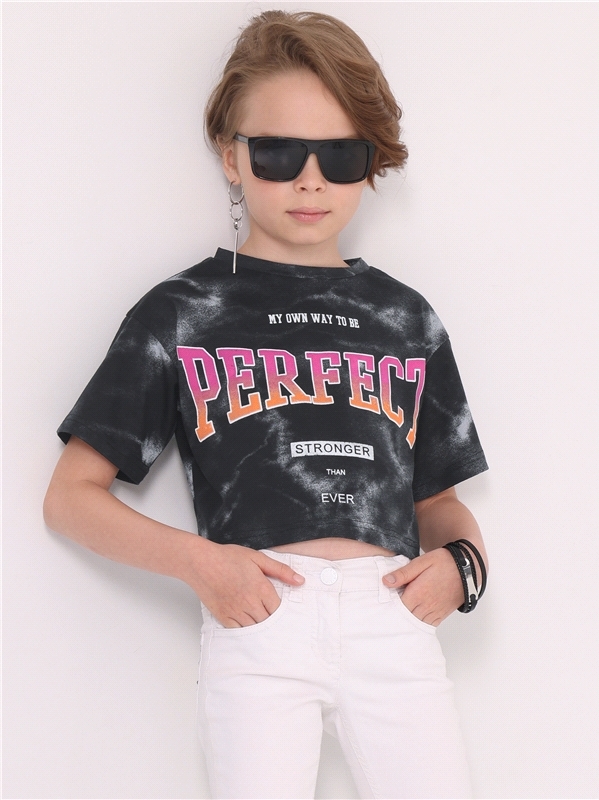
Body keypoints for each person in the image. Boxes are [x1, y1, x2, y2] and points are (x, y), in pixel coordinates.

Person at [44, 10, 489, 799]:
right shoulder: (182, 312)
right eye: (279, 154)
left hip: (393, 616)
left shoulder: (406, 318)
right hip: (259, 613)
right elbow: (71, 498)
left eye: (340, 156)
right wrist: (199, 565)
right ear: (232, 156)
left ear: (369, 161)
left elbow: (439, 503)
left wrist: (464, 570)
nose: (310, 181)